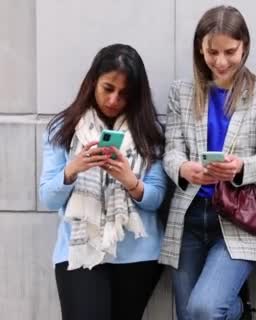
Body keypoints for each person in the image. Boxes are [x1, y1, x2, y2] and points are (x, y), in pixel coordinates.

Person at [159, 5, 256, 320]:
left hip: (237, 217)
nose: (221, 61)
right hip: (188, 217)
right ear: (200, 48)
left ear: (245, 47)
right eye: (212, 52)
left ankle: (239, 311)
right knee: (189, 316)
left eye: (230, 51)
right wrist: (184, 170)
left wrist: (239, 168)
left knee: (203, 309)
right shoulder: (181, 92)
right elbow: (171, 151)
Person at [39, 43, 166, 320]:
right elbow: (48, 199)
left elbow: (156, 199)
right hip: (79, 252)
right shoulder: (63, 129)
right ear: (93, 82)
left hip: (137, 256)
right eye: (108, 88)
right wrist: (73, 169)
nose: (113, 100)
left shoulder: (150, 132)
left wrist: (130, 180)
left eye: (124, 94)